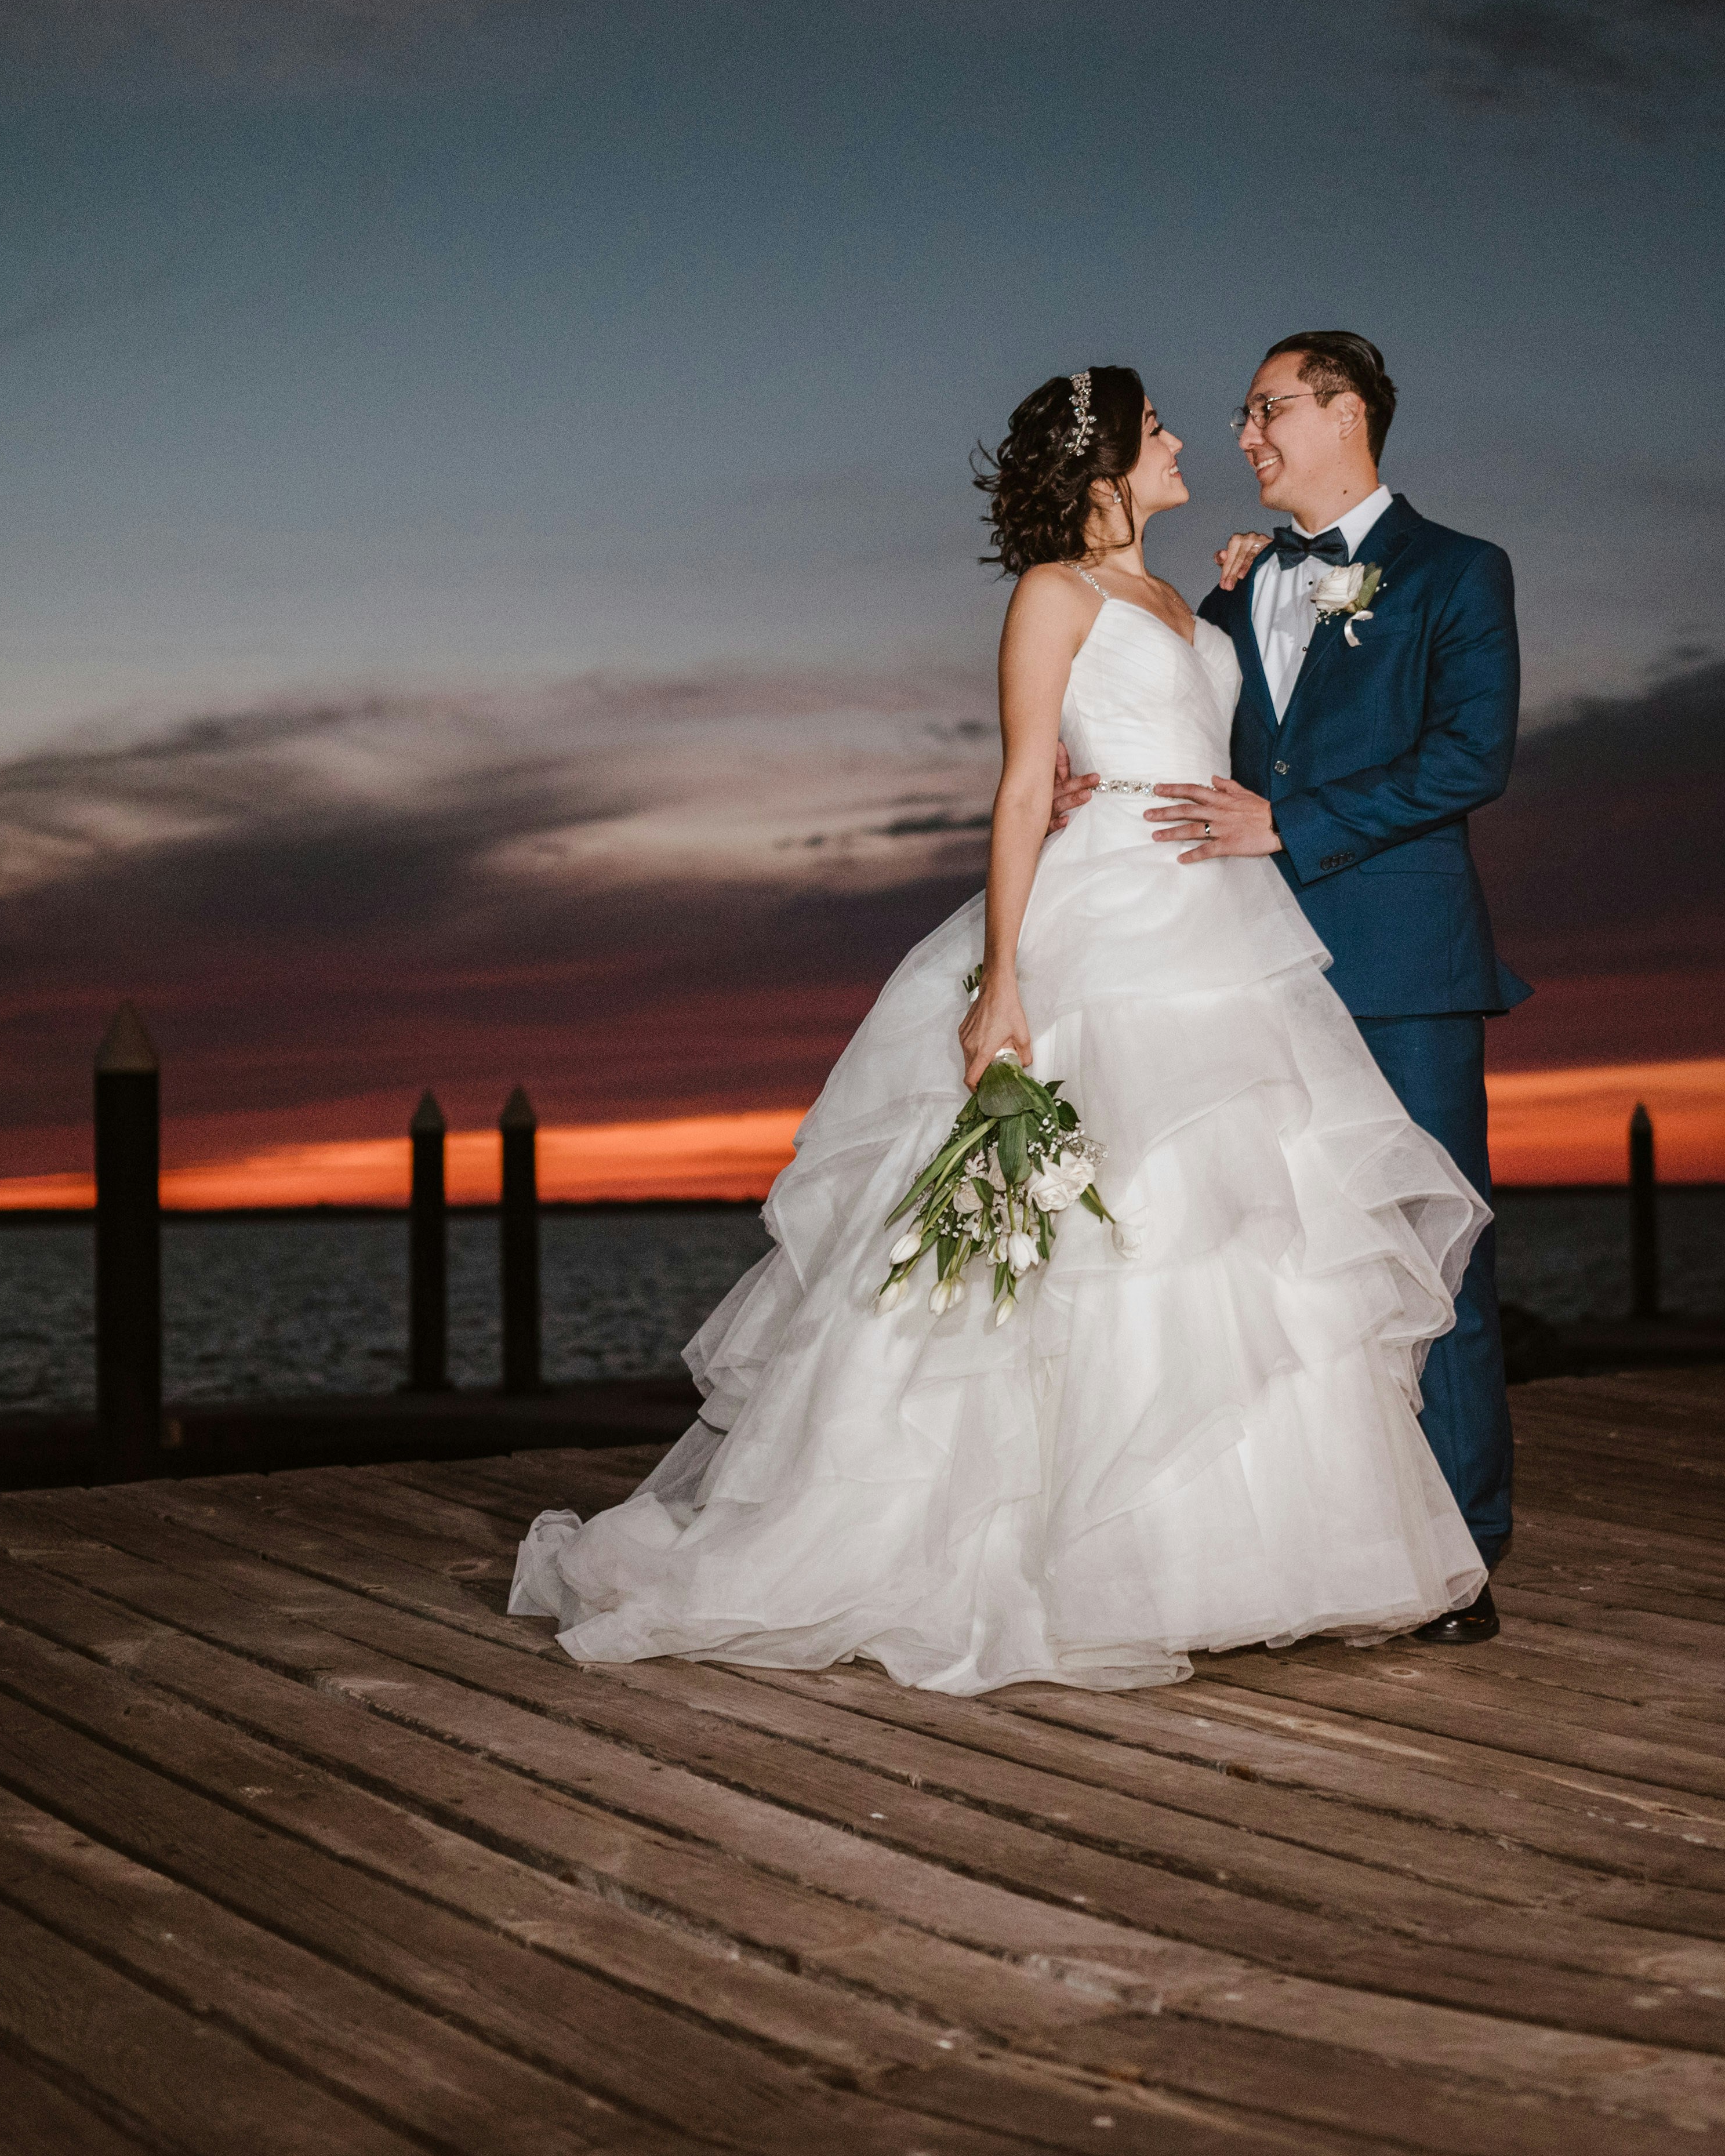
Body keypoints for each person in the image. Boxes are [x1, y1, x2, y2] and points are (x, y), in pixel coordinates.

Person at [507, 365, 1490, 1694]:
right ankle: (1049, 1551)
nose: (1192, 437)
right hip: (1106, 918)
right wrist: (1001, 981)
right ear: (1103, 466)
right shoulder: (1054, 592)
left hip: (1220, 919)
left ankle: (1234, 1558)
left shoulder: (1194, 597)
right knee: (1094, 1230)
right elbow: (1024, 785)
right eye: (1160, 431)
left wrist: (1244, 594)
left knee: (1231, 1222)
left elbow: (1246, 721)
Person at [1166, 331, 1526, 1643]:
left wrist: (1290, 827)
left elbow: (1469, 758)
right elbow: (1189, 741)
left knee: (1434, 1260)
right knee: (1280, 1261)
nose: (1245, 437)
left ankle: (1461, 1556)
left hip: (1401, 972)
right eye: (1242, 414)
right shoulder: (1233, 593)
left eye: (1266, 410)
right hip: (1248, 975)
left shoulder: (1455, 572)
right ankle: (1307, 1543)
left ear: (1347, 413)